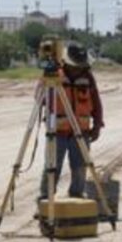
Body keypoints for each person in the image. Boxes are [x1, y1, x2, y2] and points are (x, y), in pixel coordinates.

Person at [41, 41, 104, 199]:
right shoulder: (54, 75)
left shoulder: (88, 77)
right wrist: (47, 80)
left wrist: (97, 125)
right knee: (52, 167)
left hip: (81, 131)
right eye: (75, 65)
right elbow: (39, 98)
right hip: (56, 132)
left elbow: (96, 102)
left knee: (80, 166)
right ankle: (46, 198)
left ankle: (76, 195)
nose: (78, 69)